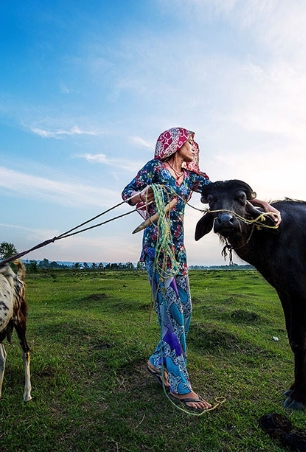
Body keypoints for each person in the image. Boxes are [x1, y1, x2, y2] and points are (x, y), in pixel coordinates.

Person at [122, 127, 212, 411]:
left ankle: (158, 359)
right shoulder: (155, 168)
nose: (194, 147)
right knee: (172, 315)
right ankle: (177, 382)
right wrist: (149, 195)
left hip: (178, 251)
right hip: (158, 249)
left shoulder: (189, 177)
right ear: (174, 143)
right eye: (189, 142)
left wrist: (249, 198)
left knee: (185, 310)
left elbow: (213, 190)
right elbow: (128, 193)